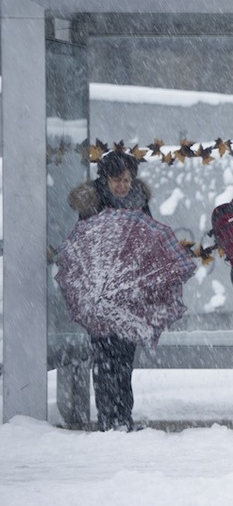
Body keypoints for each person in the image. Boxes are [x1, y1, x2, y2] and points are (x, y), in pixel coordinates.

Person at [68, 151, 152, 431]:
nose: (122, 186)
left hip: (130, 293)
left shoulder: (139, 203)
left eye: (127, 180)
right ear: (105, 180)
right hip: (100, 293)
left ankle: (123, 417)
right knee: (105, 358)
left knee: (125, 359)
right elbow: (83, 247)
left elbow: (150, 240)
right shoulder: (92, 206)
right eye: (117, 180)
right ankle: (107, 417)